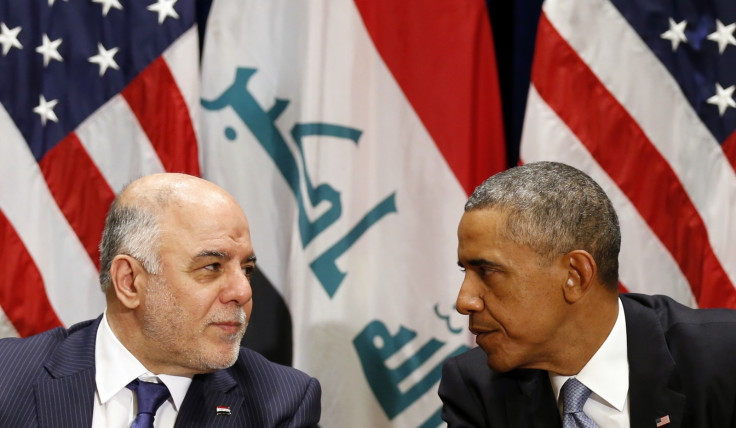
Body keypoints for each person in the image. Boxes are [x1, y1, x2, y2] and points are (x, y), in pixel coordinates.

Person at [0, 173, 321, 427]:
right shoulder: (9, 375)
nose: (243, 292)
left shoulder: (280, 403)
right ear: (129, 282)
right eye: (212, 267)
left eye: (247, 269)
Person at [439, 161, 736, 427]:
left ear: (575, 276)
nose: (464, 302)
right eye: (465, 272)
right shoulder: (474, 388)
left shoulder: (723, 358)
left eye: (487, 272)